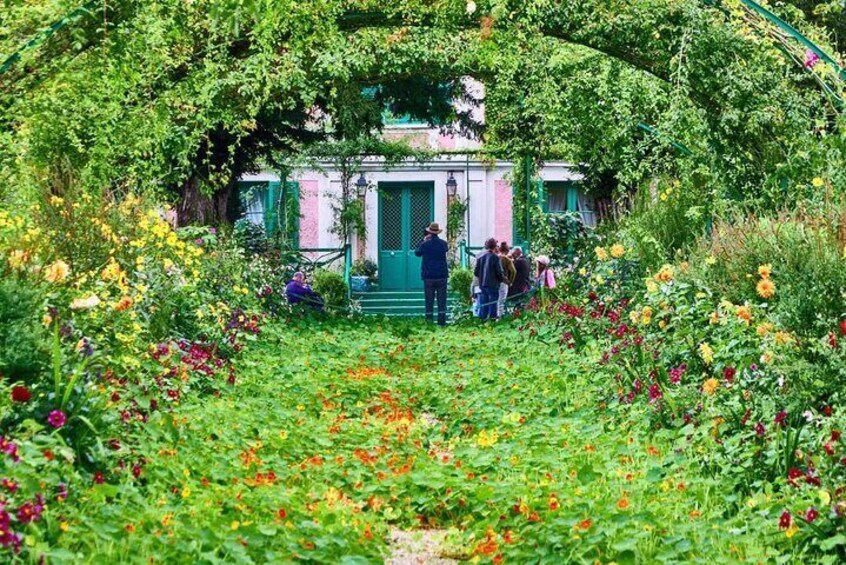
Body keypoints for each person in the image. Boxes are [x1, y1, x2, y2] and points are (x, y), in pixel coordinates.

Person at [414, 222, 449, 326]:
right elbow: (446, 249)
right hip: (442, 275)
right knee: (442, 301)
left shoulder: (425, 244)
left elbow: (417, 252)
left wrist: (423, 240)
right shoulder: (443, 243)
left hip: (428, 276)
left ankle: (429, 322)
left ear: (429, 232)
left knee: (429, 301)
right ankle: (441, 323)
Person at [474, 238, 504, 320]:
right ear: (495, 246)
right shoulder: (495, 257)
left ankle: (482, 320)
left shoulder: (480, 257)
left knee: (484, 303)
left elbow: (476, 272)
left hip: (482, 284)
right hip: (493, 284)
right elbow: (499, 272)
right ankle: (492, 320)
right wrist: (501, 279)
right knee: (493, 304)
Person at [497, 242, 516, 318]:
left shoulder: (495, 257)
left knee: (495, 300)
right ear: (507, 250)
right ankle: (500, 317)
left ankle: (494, 317)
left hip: (495, 282)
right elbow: (513, 271)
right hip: (504, 282)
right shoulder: (507, 260)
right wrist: (510, 281)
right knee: (501, 301)